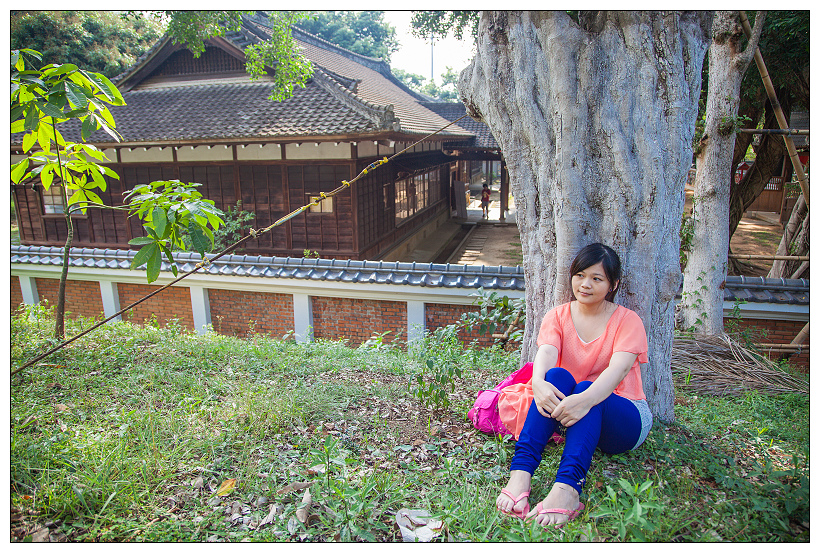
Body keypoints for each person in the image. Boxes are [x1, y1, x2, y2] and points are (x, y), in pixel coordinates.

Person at [495, 243, 653, 527]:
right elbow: (546, 353)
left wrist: (585, 399)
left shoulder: (628, 321)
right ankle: (520, 474)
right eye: (580, 275)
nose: (586, 284)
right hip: (576, 414)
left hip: (625, 418)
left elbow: (616, 372)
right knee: (554, 377)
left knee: (585, 391)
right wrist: (539, 384)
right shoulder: (558, 315)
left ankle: (567, 490)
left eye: (597, 278)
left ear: (613, 284)